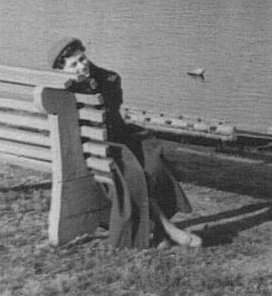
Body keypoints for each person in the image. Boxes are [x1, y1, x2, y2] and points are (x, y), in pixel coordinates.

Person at [49, 37, 201, 249]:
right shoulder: (64, 91)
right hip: (95, 149)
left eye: (83, 59)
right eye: (74, 64)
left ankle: (161, 232)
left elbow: (113, 104)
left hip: (118, 139)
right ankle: (168, 229)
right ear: (62, 71)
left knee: (154, 164)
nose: (82, 65)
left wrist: (92, 82)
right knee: (132, 174)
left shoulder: (104, 80)